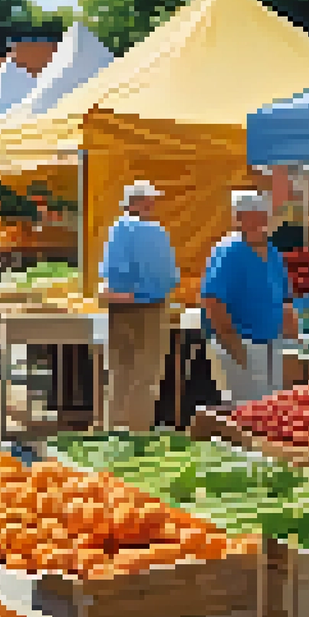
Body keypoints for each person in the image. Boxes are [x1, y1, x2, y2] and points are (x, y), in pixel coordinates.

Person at [201, 191, 298, 406]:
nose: (260, 220)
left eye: (262, 214)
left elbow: (285, 298)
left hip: (272, 344)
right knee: (245, 410)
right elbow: (212, 301)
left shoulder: (271, 251)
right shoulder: (229, 251)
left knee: (271, 409)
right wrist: (234, 346)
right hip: (242, 343)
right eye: (252, 215)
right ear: (239, 219)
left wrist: (292, 340)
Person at [98, 181, 180, 431]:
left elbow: (109, 274)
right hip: (150, 308)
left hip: (119, 308)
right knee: (145, 376)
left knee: (119, 374)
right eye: (148, 200)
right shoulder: (155, 232)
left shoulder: (116, 229)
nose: (152, 204)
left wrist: (116, 294)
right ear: (136, 203)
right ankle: (137, 434)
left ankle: (113, 429)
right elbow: (169, 277)